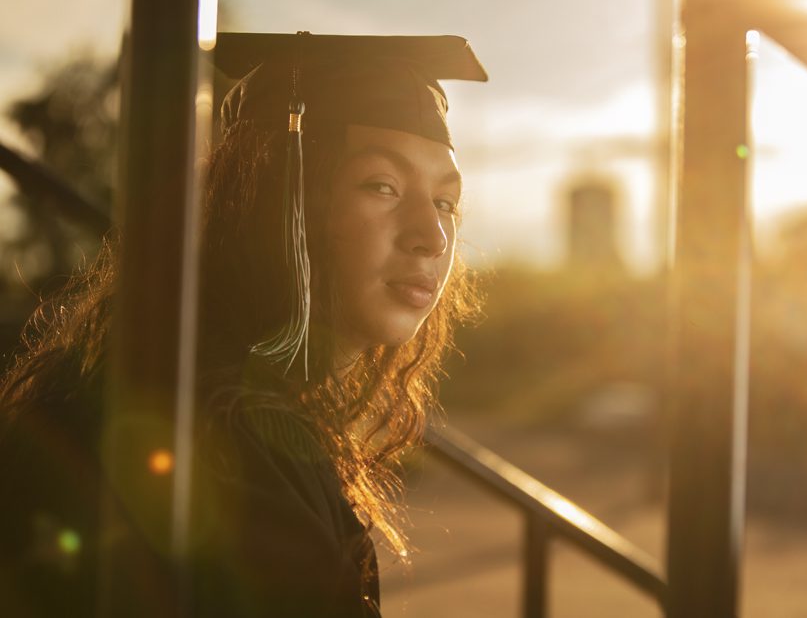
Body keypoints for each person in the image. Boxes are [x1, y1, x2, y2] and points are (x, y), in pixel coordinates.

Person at [0, 31, 488, 616]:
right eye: (381, 185)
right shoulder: (236, 448)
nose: (431, 238)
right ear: (280, 203)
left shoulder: (192, 389)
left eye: (445, 203)